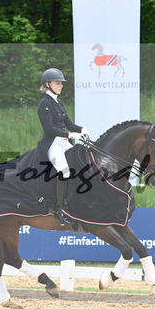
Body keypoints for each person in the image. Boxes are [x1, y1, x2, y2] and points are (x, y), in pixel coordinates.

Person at [36, 68, 89, 226]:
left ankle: (76, 201)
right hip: (53, 144)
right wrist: (70, 135)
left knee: (81, 167)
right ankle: (58, 209)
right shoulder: (44, 104)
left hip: (65, 142)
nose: (61, 86)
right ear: (48, 84)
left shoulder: (59, 103)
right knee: (65, 172)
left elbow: (69, 124)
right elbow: (49, 129)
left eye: (61, 83)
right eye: (57, 83)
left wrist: (82, 129)